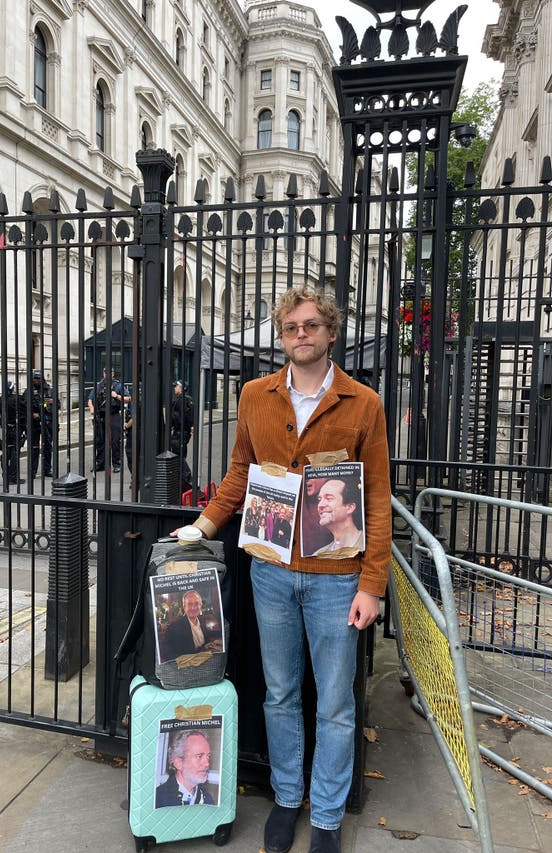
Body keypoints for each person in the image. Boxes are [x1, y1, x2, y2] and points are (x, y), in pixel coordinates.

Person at [186, 286, 392, 853]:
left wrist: (372, 584)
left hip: (336, 578)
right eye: (290, 328)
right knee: (279, 695)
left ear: (330, 332)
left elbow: (376, 496)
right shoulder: (256, 394)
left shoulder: (363, 404)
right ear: (282, 337)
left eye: (309, 326)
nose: (299, 335)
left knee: (334, 703)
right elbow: (237, 474)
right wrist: (202, 527)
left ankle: (325, 815)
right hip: (271, 571)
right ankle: (284, 798)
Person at [155, 730, 215, 807]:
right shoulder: (159, 800)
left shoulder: (208, 800)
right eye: (199, 756)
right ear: (178, 763)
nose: (207, 763)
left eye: (208, 757)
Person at [88, 367, 128, 473]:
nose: (107, 374)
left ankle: (116, 464)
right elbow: (90, 400)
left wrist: (117, 396)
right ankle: (100, 463)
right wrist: (92, 409)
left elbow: (128, 399)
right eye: (106, 372)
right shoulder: (98, 385)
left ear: (113, 374)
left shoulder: (118, 385)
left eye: (110, 372)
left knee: (115, 440)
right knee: (100, 440)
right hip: (100, 415)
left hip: (114, 415)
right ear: (103, 373)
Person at [313, 478, 365, 556]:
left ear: (350, 507)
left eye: (329, 498)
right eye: (320, 499)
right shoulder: (318, 554)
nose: (320, 505)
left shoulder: (370, 544)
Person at [22, 370, 56, 478]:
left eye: (38, 378)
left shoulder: (49, 390)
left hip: (47, 422)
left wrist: (52, 402)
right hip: (34, 424)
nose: (36, 380)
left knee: (47, 447)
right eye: (35, 378)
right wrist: (32, 414)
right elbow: (23, 406)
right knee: (34, 447)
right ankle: (32, 471)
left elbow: (58, 405)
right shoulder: (29, 391)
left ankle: (47, 469)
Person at [162, 589, 213, 661]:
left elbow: (208, 639)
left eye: (196, 603)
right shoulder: (173, 628)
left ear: (200, 606)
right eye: (189, 604)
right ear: (184, 607)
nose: (193, 608)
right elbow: (167, 654)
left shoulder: (203, 621)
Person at [0, 380, 26, 485]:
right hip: (14, 428)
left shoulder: (1, 399)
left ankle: (6, 474)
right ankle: (13, 477)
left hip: (4, 428)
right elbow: (23, 412)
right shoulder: (16, 399)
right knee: (15, 453)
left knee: (6, 452)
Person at [170, 380, 194, 489]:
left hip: (180, 431)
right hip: (185, 432)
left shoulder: (181, 400)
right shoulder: (188, 400)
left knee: (178, 455)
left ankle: (187, 478)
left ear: (182, 388)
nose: (175, 388)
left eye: (177, 386)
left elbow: (181, 417)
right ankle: (182, 480)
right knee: (181, 453)